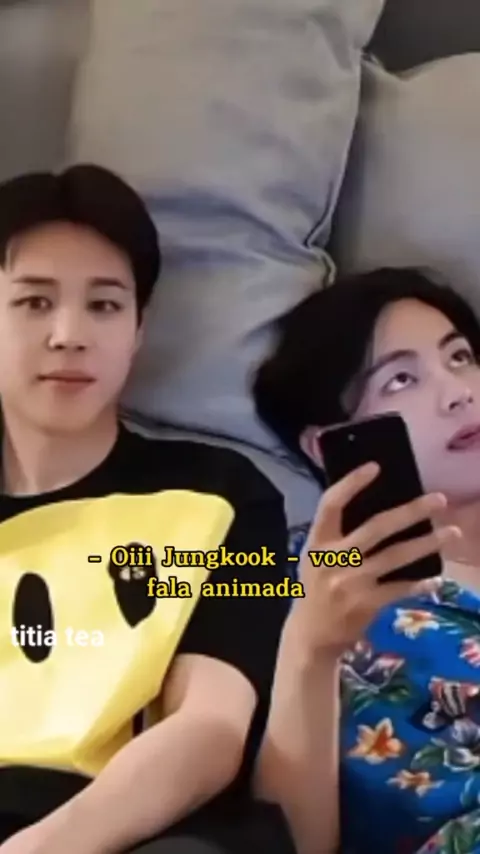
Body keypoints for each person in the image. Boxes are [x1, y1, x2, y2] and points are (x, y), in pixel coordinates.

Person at [0, 165, 293, 854]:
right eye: (35, 302)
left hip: (130, 831)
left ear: (137, 329)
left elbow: (211, 728)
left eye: (104, 306)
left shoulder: (223, 495)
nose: (69, 334)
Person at [252, 268, 480, 854]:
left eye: (460, 357)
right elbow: (287, 843)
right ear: (326, 443)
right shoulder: (293, 583)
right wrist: (311, 647)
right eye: (401, 379)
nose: (459, 391)